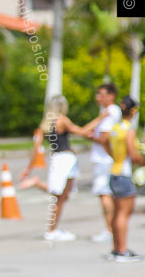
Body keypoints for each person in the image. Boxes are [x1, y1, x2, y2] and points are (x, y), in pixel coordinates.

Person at [18, 95, 99, 241]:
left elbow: (36, 149)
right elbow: (82, 131)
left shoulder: (44, 125)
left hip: (56, 158)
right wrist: (101, 118)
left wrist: (28, 168)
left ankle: (54, 228)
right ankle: (51, 230)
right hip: (66, 159)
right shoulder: (62, 120)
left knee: (62, 196)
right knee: (59, 198)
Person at [105, 96, 144, 262]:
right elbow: (134, 155)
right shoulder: (129, 129)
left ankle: (116, 249)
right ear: (133, 111)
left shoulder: (115, 127)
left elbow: (104, 142)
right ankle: (122, 250)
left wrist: (115, 157)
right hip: (124, 174)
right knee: (124, 214)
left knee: (116, 214)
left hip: (114, 171)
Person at [89, 83, 122, 244]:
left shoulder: (111, 111)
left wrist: (88, 136)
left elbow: (104, 138)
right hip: (106, 159)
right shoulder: (106, 111)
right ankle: (111, 228)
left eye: (101, 94)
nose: (98, 97)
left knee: (104, 193)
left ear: (111, 96)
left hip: (105, 160)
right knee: (107, 194)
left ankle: (110, 229)